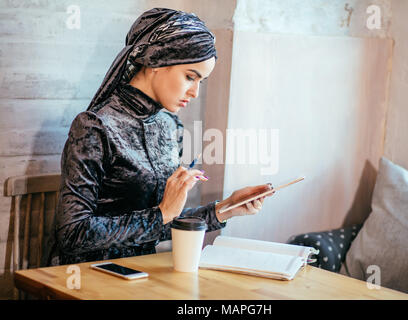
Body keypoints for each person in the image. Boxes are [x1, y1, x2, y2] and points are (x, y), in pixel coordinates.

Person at [51, 8, 272, 265]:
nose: (195, 92)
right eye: (190, 77)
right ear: (156, 61)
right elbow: (71, 234)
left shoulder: (170, 127)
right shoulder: (94, 126)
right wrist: (161, 214)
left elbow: (161, 221)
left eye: (202, 81)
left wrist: (226, 208)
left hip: (142, 273)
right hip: (89, 276)